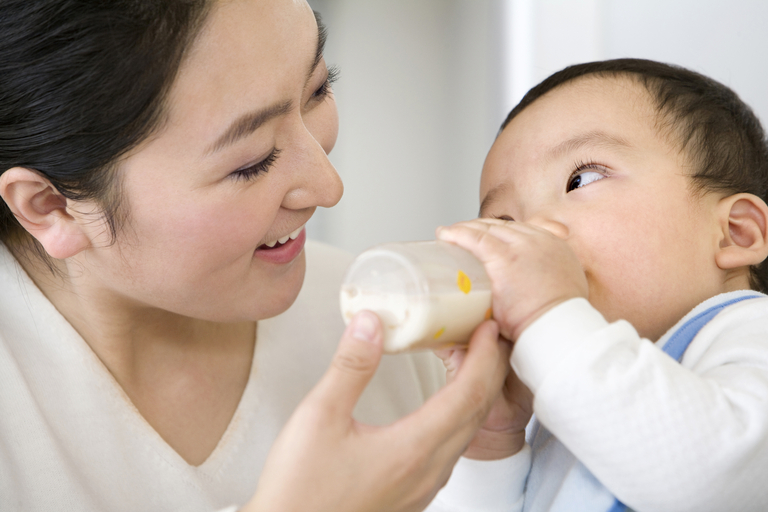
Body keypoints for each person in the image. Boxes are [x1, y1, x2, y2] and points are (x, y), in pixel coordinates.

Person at [0, 1, 514, 511]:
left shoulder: (390, 322)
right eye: (252, 162)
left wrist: (493, 454)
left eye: (318, 88)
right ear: (52, 207)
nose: (328, 187)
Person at [434, 58, 768, 512]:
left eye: (581, 179)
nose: (536, 231)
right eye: (504, 221)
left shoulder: (749, 331)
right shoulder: (558, 403)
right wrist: (490, 441)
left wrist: (545, 314)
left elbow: (714, 478)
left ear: (735, 233)